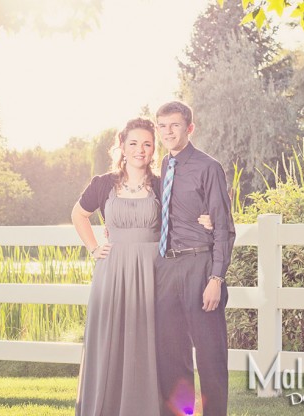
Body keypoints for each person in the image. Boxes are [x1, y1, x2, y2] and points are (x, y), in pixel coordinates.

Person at [72, 117, 212, 416]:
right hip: (113, 272)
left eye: (147, 144)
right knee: (111, 341)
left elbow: (186, 216)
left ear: (154, 149)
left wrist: (208, 219)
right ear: (121, 146)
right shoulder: (103, 183)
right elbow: (78, 215)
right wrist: (94, 247)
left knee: (153, 342)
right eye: (133, 143)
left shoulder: (163, 183)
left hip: (155, 272)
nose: (140, 150)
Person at [154, 101, 236, 416]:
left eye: (174, 125)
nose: (167, 132)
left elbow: (225, 228)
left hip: (200, 267)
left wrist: (216, 278)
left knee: (210, 356)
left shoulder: (208, 167)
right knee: (172, 355)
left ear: (189, 128)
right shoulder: (161, 166)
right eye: (162, 126)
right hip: (167, 269)